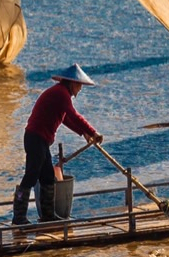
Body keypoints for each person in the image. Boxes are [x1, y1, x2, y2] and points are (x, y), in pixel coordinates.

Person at [13, 64, 103, 225]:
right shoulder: (61, 94)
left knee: (47, 177)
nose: (80, 89)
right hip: (35, 139)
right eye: (79, 85)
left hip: (40, 140)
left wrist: (83, 133)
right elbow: (74, 115)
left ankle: (48, 215)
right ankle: (18, 217)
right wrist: (93, 131)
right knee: (31, 176)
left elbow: (66, 118)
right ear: (72, 83)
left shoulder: (61, 94)